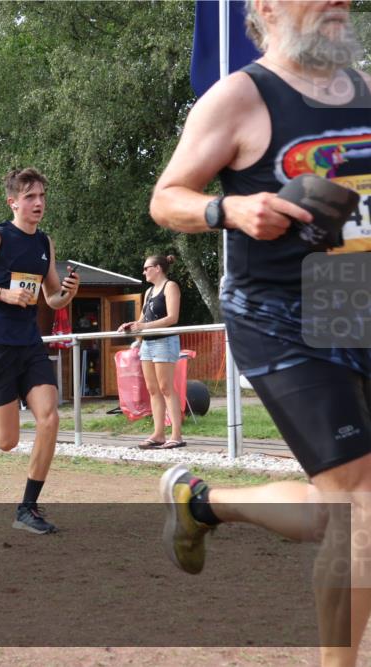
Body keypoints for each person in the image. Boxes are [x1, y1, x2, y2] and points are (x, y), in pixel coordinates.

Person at [149, 3, 371, 664]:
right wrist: (230, 208)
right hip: (279, 314)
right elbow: (167, 197)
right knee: (358, 504)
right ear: (267, 7)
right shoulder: (240, 97)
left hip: (353, 297)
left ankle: (202, 503)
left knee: (340, 506)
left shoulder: (363, 87)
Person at [0, 168, 80, 535]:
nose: (38, 203)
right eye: (30, 197)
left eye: (42, 196)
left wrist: (68, 292)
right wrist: (3, 294)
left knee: (49, 418)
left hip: (30, 343)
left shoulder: (44, 243)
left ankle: (27, 508)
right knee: (6, 442)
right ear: (13, 202)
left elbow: (52, 298)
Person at [118, 254, 184, 449]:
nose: (144, 272)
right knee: (153, 389)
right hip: (148, 343)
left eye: (147, 268)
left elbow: (172, 318)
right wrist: (131, 326)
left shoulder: (170, 286)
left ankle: (176, 435)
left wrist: (143, 327)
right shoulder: (148, 291)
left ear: (158, 268)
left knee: (166, 388)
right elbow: (142, 320)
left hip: (165, 341)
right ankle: (158, 434)